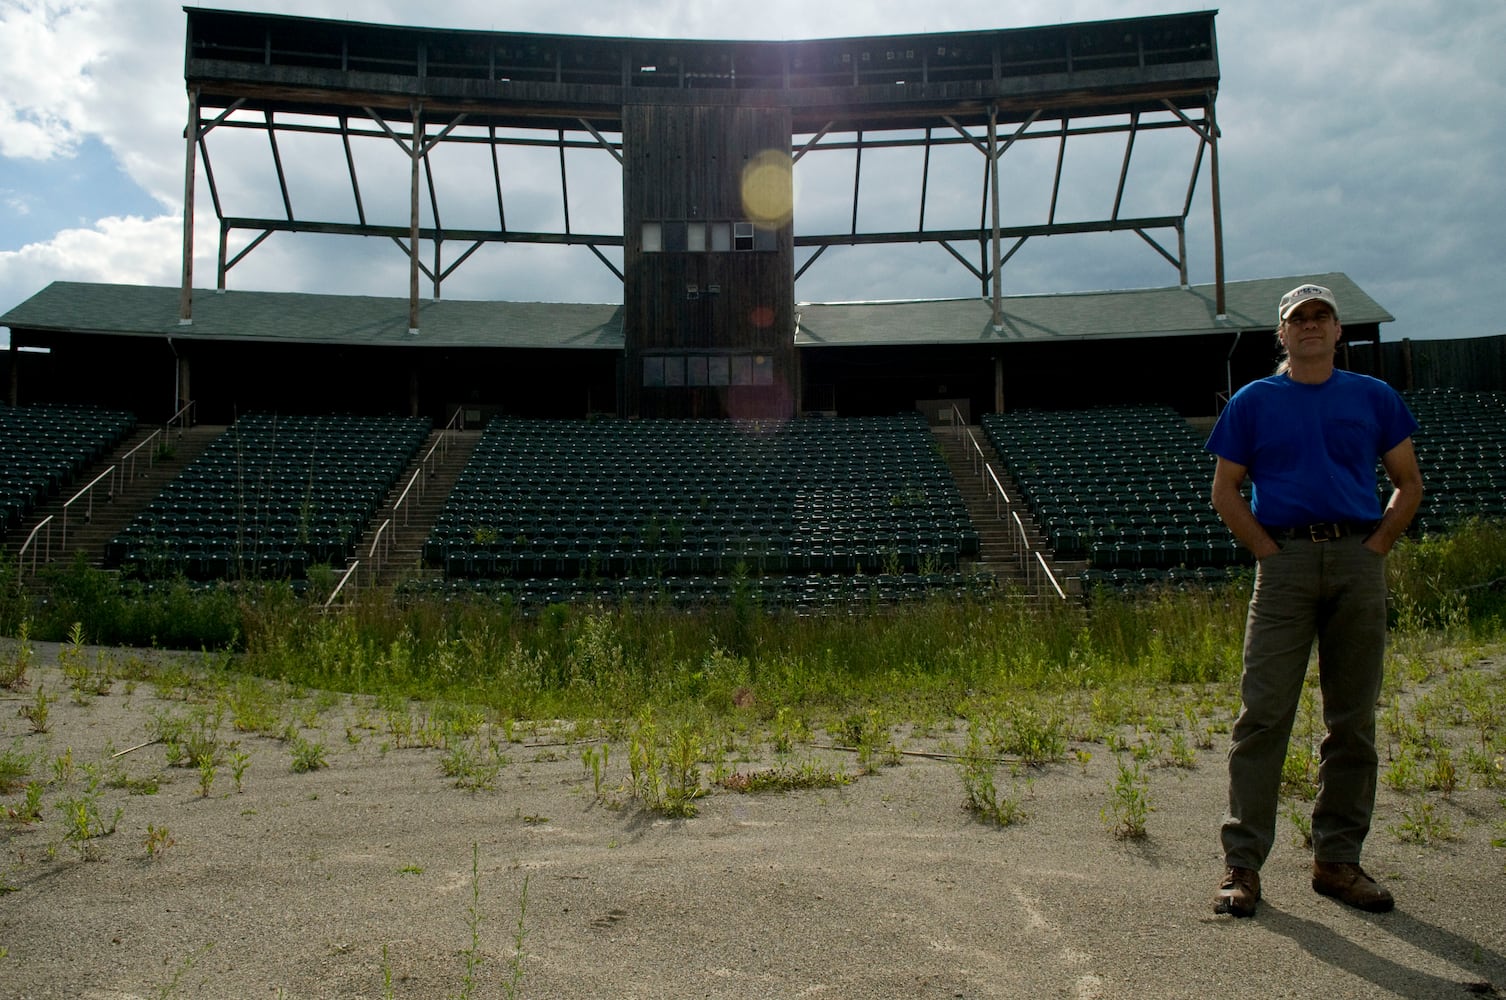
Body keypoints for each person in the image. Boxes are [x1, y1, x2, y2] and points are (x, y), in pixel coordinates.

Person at [1205, 282, 1423, 917]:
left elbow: (1407, 483)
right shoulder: (1254, 401)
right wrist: (1270, 554)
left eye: (1321, 317)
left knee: (1352, 720)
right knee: (1263, 715)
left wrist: (1377, 545)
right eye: (1298, 319)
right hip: (1287, 564)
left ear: (1336, 332)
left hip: (1357, 558)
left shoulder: (1372, 397)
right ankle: (1242, 865)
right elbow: (1225, 491)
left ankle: (1337, 861)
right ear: (1282, 333)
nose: (1310, 326)